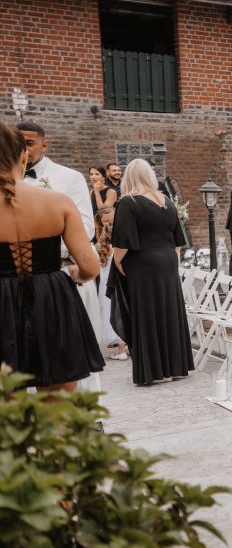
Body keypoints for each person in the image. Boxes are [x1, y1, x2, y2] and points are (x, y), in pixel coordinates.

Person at [0, 123, 104, 391]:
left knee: (8, 411)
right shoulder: (58, 203)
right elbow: (90, 267)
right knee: (57, 407)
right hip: (51, 302)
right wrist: (74, 275)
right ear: (23, 156)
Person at [110, 158, 193, 386]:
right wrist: (172, 260)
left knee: (146, 313)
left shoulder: (129, 202)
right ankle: (176, 366)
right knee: (169, 310)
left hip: (142, 263)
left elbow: (122, 242)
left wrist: (117, 263)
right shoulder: (166, 200)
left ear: (129, 177)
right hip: (167, 261)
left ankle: (153, 370)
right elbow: (178, 239)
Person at [15, 123, 93, 241]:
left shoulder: (71, 177)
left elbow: (86, 228)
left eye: (29, 144)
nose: (22, 150)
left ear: (44, 145)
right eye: (16, 144)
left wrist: (47, 247)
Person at [95, 205, 128, 360]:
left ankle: (123, 348)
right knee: (115, 311)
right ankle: (122, 348)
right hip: (109, 281)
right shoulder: (107, 239)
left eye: (110, 220)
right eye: (105, 221)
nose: (108, 223)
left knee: (117, 311)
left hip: (111, 281)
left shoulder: (111, 237)